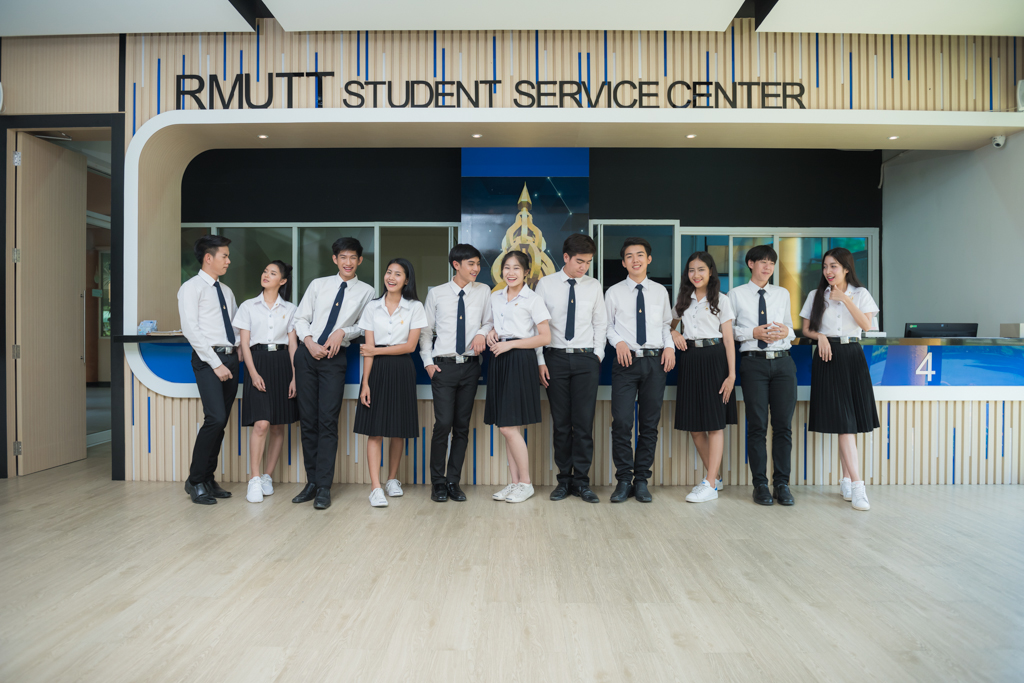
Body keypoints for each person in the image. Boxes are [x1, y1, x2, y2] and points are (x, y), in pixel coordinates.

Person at [292, 237, 375, 510]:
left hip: (333, 359)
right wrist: (309, 342)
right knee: (308, 420)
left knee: (327, 421)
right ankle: (312, 482)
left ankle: (324, 487)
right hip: (307, 354)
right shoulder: (318, 285)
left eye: (353, 257)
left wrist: (343, 331)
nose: (348, 262)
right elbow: (300, 318)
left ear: (359, 260)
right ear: (335, 259)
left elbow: (364, 325)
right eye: (343, 257)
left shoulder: (367, 291)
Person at [800, 247, 879, 512]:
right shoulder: (815, 295)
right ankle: (857, 485)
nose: (828, 271)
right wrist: (820, 336)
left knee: (850, 422)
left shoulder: (860, 294)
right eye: (825, 266)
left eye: (833, 266)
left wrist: (844, 299)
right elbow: (806, 329)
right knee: (844, 422)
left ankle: (847, 480)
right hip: (827, 357)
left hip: (852, 354)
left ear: (846, 268)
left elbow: (866, 326)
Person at [419, 244, 494, 503]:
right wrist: (428, 363)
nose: (476, 269)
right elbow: (426, 331)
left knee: (462, 426)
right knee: (443, 425)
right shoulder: (437, 294)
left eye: (478, 264)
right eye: (471, 264)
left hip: (471, 366)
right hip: (443, 366)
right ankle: (437, 482)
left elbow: (489, 321)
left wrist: (481, 333)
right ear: (456, 265)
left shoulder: (483, 291)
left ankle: (453, 481)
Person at [535, 234, 606, 503]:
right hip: (555, 359)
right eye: (579, 261)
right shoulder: (545, 285)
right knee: (562, 424)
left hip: (586, 360)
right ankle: (564, 480)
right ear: (565, 257)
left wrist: (597, 354)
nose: (584, 267)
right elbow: (537, 325)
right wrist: (540, 360)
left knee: (584, 424)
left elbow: (600, 323)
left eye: (588, 262)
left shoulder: (594, 286)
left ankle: (582, 482)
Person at [605, 237, 675, 504]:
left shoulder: (660, 291)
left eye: (640, 255)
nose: (635, 260)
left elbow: (666, 325)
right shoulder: (613, 292)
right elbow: (607, 326)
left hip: (655, 363)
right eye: (629, 256)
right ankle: (624, 479)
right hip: (625, 363)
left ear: (649, 259)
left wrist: (669, 347)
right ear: (623, 263)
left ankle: (642, 480)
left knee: (649, 424)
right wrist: (619, 342)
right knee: (622, 422)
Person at [354, 259, 427, 508]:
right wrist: (365, 383)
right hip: (376, 370)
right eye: (388, 272)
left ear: (406, 280)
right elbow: (368, 351)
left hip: (402, 368)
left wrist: (376, 350)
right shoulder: (372, 307)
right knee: (374, 430)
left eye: (398, 274)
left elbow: (410, 346)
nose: (391, 277)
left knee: (397, 429)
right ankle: (375, 487)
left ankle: (392, 480)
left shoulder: (415, 307)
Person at [728, 245, 797, 506]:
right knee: (757, 426)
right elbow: (729, 331)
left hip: (783, 363)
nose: (768, 267)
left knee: (783, 426)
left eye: (771, 263)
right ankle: (760, 485)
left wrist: (786, 333)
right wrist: (752, 333)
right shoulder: (735, 294)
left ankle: (782, 484)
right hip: (753, 364)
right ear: (751, 264)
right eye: (763, 262)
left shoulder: (782, 293)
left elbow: (790, 327)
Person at [485, 251, 551, 504]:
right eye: (507, 268)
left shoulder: (533, 299)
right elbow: (493, 324)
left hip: (519, 359)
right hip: (499, 358)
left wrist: (510, 344)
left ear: (526, 272)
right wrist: (491, 332)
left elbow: (544, 337)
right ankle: (515, 483)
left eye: (516, 268)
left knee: (508, 426)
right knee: (506, 426)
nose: (510, 273)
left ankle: (526, 483)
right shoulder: (495, 297)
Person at [178, 234, 239, 505]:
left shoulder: (226, 291)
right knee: (215, 418)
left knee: (221, 422)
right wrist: (216, 364)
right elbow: (191, 330)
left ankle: (207, 478)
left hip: (230, 359)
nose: (228, 261)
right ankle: (194, 481)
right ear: (208, 258)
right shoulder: (191, 288)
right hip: (208, 360)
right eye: (224, 256)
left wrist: (237, 352)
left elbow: (234, 326)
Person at [671, 251, 737, 504]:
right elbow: (668, 326)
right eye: (691, 270)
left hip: (714, 358)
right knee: (695, 426)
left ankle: (709, 483)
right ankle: (715, 478)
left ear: (710, 272)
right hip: (690, 359)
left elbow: (729, 339)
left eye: (701, 269)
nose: (696, 274)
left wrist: (731, 375)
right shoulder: (682, 299)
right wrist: (674, 334)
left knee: (714, 423)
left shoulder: (721, 299)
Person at [233, 261, 299, 504]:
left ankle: (267, 476)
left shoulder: (291, 309)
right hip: (257, 361)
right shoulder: (248, 306)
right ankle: (254, 478)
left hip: (282, 364)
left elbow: (293, 345)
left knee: (278, 425)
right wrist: (252, 373)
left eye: (272, 273)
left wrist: (295, 376)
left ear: (283, 281)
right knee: (261, 424)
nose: (266, 275)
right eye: (264, 271)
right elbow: (244, 343)